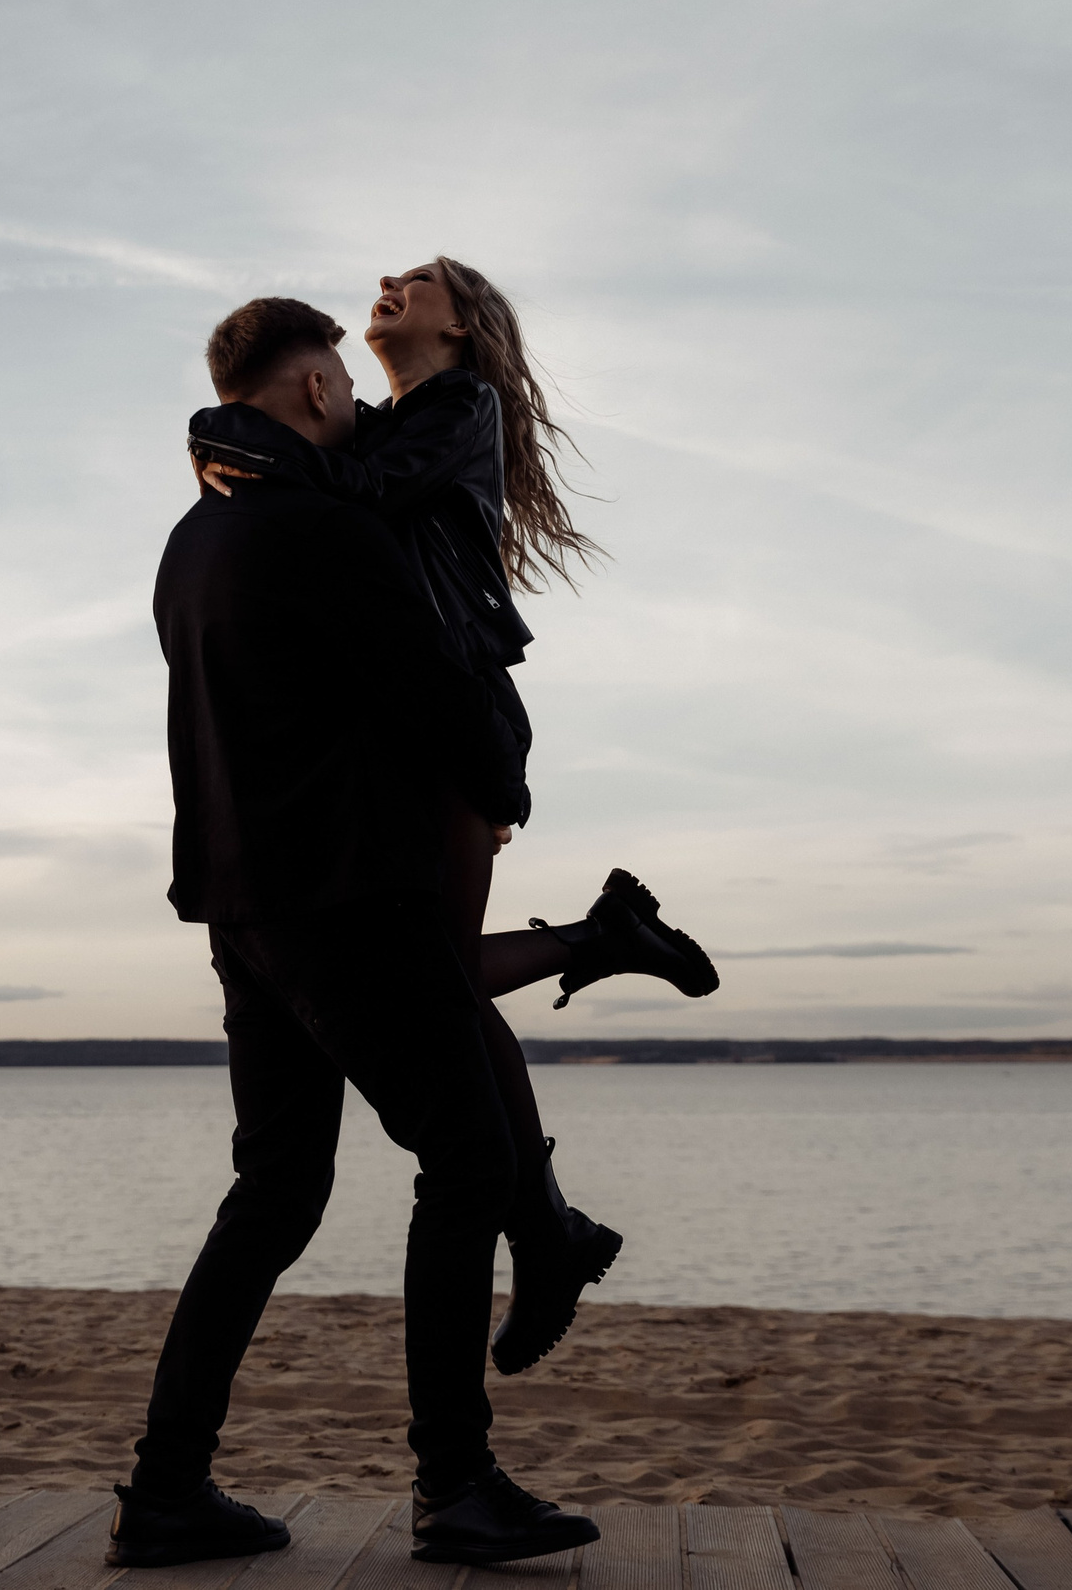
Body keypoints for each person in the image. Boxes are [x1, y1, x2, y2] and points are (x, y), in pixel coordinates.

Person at [113, 297, 603, 1570]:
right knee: (472, 1162)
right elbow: (430, 687)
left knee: (275, 1191)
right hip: (350, 898)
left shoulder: (189, 541)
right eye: (343, 377)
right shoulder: (327, 527)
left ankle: (165, 1489)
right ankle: (457, 1483)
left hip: (242, 908)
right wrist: (502, 792)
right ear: (320, 388)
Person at [191, 258, 718, 1375]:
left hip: (458, 720)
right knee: (434, 982)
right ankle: (550, 1218)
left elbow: (351, 502)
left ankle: (548, 1219)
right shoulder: (380, 423)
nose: (388, 283)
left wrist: (233, 443)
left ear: (464, 329)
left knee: (432, 981)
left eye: (418, 281)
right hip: (416, 731)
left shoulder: (456, 409)